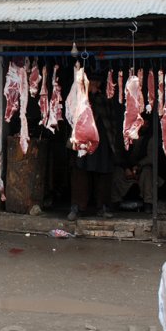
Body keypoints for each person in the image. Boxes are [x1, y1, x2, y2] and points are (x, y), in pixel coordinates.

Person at [67, 73, 117, 221]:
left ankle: (102, 207)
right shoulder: (80, 97)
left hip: (102, 141)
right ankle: (77, 207)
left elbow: (112, 119)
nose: (94, 85)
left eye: (96, 82)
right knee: (80, 173)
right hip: (83, 140)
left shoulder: (105, 98)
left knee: (103, 174)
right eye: (92, 82)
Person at [111, 119, 157, 213]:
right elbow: (117, 155)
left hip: (142, 169)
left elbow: (151, 157)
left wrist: (139, 166)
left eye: (147, 123)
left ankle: (148, 203)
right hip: (126, 169)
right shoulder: (124, 137)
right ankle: (115, 202)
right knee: (116, 172)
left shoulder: (150, 139)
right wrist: (126, 168)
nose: (145, 125)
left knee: (147, 172)